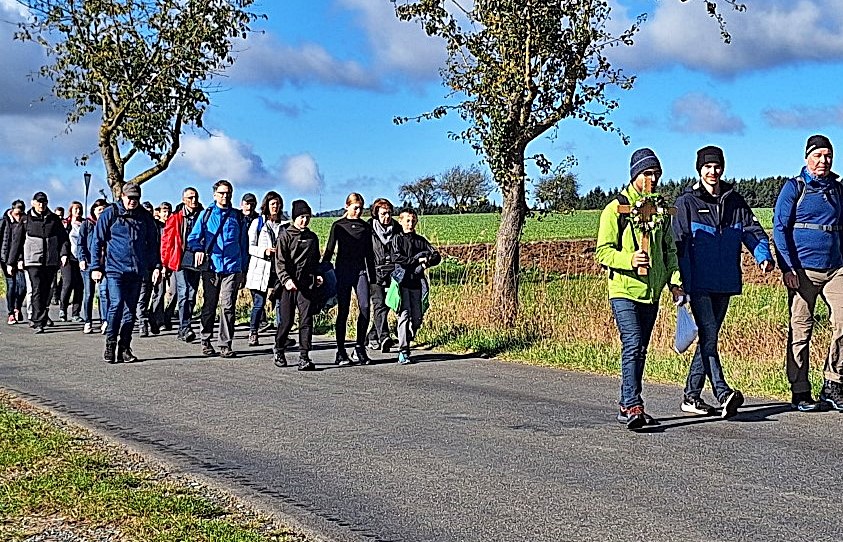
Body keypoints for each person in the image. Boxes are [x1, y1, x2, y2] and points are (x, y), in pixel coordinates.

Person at [673, 146, 774, 419]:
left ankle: (691, 396)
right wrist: (679, 282)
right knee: (709, 333)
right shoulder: (686, 203)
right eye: (707, 166)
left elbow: (752, 231)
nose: (713, 171)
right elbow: (678, 245)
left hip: (726, 280)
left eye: (717, 166)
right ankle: (723, 392)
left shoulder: (735, 201)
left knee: (709, 337)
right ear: (699, 169)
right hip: (698, 282)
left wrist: (763, 256)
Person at [595, 148, 685, 430]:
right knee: (633, 343)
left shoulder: (660, 210)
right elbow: (603, 252)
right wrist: (629, 260)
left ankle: (627, 404)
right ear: (634, 174)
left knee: (641, 349)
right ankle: (634, 404)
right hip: (623, 289)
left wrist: (675, 283)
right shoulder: (616, 209)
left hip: (651, 291)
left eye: (656, 173)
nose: (653, 179)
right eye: (647, 173)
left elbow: (669, 251)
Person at [773, 134, 843, 412]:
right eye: (818, 155)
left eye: (828, 156)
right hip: (802, 270)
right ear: (807, 158)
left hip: (836, 268)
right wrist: (787, 268)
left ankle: (833, 382)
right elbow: (780, 229)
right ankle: (800, 390)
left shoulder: (837, 190)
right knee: (801, 330)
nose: (824, 160)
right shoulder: (795, 187)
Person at [91, 183, 161, 363]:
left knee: (130, 310)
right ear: (122, 196)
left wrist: (156, 266)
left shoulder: (145, 217)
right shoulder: (110, 213)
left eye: (136, 198)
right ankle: (110, 344)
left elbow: (153, 244)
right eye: (130, 198)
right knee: (116, 304)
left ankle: (124, 347)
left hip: (136, 270)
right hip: (114, 269)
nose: (133, 201)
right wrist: (95, 267)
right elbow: (97, 241)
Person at [186, 179, 249, 358]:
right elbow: (193, 238)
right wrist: (198, 249)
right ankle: (205, 340)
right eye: (221, 193)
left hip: (232, 267)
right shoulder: (206, 215)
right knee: (210, 305)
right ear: (214, 195)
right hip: (212, 267)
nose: (225, 196)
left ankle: (225, 344)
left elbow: (243, 245)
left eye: (228, 193)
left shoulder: (237, 217)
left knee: (227, 306)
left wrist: (243, 269)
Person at [322, 193, 375, 365]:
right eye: (355, 208)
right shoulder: (338, 226)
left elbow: (369, 253)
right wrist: (322, 272)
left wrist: (373, 278)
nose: (358, 211)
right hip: (343, 272)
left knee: (365, 308)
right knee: (343, 311)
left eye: (361, 208)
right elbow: (329, 250)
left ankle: (359, 347)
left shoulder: (365, 227)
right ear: (347, 206)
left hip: (360, 272)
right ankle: (340, 351)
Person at [8, 192, 70, 333]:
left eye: (44, 202)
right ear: (33, 203)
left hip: (50, 261)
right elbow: (17, 242)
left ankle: (42, 315)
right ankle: (37, 321)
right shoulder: (26, 220)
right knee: (37, 289)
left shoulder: (54, 219)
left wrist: (64, 254)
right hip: (33, 261)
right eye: (39, 202)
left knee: (47, 290)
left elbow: (63, 239)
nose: (41, 205)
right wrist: (12, 262)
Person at [273, 199, 323, 371]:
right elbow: (279, 262)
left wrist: (318, 275)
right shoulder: (285, 236)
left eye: (307, 217)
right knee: (286, 322)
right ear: (295, 217)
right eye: (301, 217)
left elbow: (315, 260)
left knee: (306, 320)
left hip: (306, 284)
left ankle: (304, 356)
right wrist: (286, 280)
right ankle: (279, 349)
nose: (304, 220)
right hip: (288, 285)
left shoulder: (312, 238)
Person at [390, 209, 441, 365]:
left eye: (413, 221)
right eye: (407, 220)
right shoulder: (397, 239)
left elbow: (436, 255)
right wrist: (417, 260)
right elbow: (396, 257)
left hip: (417, 283)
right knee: (404, 315)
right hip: (402, 282)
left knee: (417, 317)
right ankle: (403, 351)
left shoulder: (420, 240)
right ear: (400, 221)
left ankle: (407, 335)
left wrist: (428, 262)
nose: (410, 224)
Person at [160, 187, 204, 343]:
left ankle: (184, 326)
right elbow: (167, 241)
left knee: (192, 294)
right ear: (184, 200)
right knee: (183, 292)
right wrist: (164, 263)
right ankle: (185, 327)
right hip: (179, 260)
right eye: (190, 197)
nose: (194, 200)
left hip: (196, 260)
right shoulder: (176, 217)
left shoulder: (203, 216)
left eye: (195, 197)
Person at [245, 191, 285, 346]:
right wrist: (264, 251)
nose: (275, 207)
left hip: (278, 269)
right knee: (259, 303)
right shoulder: (258, 223)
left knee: (280, 303)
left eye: (277, 204)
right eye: (272, 204)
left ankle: (281, 336)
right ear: (266, 205)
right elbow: (250, 247)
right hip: (260, 268)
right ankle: (253, 332)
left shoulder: (284, 225)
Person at [366, 198, 401, 352]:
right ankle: (384, 337)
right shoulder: (368, 229)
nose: (386, 217)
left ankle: (372, 334)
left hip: (393, 271)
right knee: (379, 303)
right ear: (376, 214)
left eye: (389, 213)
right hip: (374, 271)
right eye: (383, 214)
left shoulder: (397, 228)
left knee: (388, 304)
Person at [78, 199, 109, 334]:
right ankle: (88, 321)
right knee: (89, 293)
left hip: (105, 264)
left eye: (104, 209)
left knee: (104, 293)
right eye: (99, 209)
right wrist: (82, 258)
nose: (102, 212)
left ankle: (105, 320)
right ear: (94, 211)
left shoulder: (109, 224)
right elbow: (81, 243)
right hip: (89, 263)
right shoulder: (87, 224)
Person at [1, 200, 28, 324]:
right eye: (17, 214)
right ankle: (11, 313)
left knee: (23, 286)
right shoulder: (4, 222)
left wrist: (21, 259)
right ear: (12, 211)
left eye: (20, 214)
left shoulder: (25, 222)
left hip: (21, 258)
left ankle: (17, 307)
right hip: (6, 258)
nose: (18, 217)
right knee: (11, 285)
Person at [59, 201, 85, 322]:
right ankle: (62, 309)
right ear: (71, 210)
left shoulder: (85, 223)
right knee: (68, 283)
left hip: (81, 258)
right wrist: (63, 254)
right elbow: (63, 240)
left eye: (80, 209)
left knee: (79, 286)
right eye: (75, 209)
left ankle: (76, 313)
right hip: (69, 257)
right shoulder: (66, 223)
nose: (78, 211)